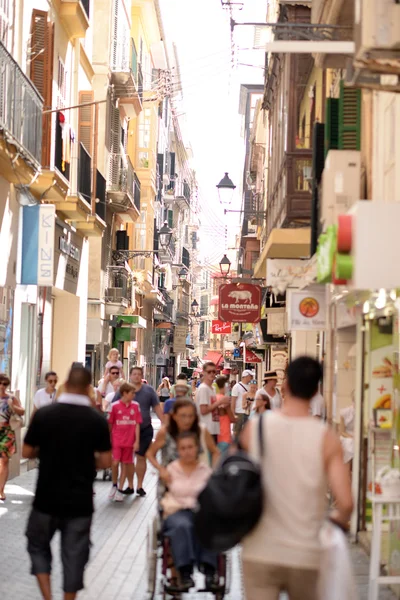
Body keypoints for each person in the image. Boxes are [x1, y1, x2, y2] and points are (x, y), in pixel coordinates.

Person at [240, 356, 353, 600]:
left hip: (260, 549)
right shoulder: (327, 438)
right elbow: (345, 503)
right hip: (306, 552)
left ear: (285, 386)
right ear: (315, 391)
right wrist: (334, 524)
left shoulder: (255, 428)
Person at [23, 366, 111, 600]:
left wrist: (49, 450)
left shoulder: (45, 414)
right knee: (75, 555)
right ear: (87, 388)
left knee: (38, 545)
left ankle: (47, 596)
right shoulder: (97, 420)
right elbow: (105, 460)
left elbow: (27, 451)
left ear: (66, 384)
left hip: (46, 499)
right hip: (79, 502)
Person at [161, 431, 218, 592]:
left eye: (190, 447)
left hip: (200, 511)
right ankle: (185, 573)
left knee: (208, 524)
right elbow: (164, 493)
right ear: (178, 450)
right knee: (182, 526)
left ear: (197, 448)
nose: (187, 451)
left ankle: (209, 571)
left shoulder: (205, 471)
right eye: (183, 448)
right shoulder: (171, 470)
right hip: (177, 510)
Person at [113, 366, 163, 496]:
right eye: (134, 374)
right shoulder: (123, 390)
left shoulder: (149, 391)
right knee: (127, 460)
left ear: (142, 376)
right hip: (126, 431)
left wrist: (165, 423)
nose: (136, 376)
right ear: (130, 375)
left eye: (138, 374)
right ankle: (130, 485)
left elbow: (157, 408)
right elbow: (114, 407)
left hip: (145, 429)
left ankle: (139, 485)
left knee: (141, 457)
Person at [146, 399, 220, 485]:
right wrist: (161, 469)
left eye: (190, 416)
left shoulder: (201, 431)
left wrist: (212, 473)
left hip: (196, 482)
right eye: (183, 416)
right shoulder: (166, 432)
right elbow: (150, 453)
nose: (187, 420)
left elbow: (215, 452)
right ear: (174, 416)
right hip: (170, 482)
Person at [108, 382, 142, 501]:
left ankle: (120, 489)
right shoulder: (115, 406)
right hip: (117, 440)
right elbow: (110, 424)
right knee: (115, 462)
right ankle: (114, 484)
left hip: (129, 441)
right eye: (132, 393)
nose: (134, 395)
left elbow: (137, 424)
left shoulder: (135, 406)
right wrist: (109, 440)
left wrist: (137, 441)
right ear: (124, 393)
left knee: (125, 464)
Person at [0, 374, 25, 502]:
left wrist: (12, 406)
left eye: (5, 384)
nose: (2, 386)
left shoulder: (11, 398)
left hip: (6, 431)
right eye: (0, 383)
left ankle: (1, 490)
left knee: (4, 461)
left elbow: (22, 411)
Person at [196, 362, 229, 443]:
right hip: (206, 430)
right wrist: (219, 402)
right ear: (203, 373)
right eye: (209, 372)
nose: (212, 374)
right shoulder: (204, 388)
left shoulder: (212, 388)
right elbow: (203, 410)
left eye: (214, 372)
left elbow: (211, 407)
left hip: (213, 429)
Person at [215, 376, 236, 452]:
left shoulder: (215, 397)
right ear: (225, 385)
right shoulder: (225, 399)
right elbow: (232, 418)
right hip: (225, 434)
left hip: (216, 434)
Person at [230, 369, 253, 439]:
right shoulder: (237, 387)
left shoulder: (250, 386)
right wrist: (233, 414)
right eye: (250, 376)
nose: (251, 378)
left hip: (248, 412)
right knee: (237, 431)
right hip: (239, 412)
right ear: (246, 376)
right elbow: (233, 401)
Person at [339, 391, 355, 468]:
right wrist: (351, 436)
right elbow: (342, 432)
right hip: (347, 436)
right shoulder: (345, 412)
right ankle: (347, 469)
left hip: (358, 436)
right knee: (349, 443)